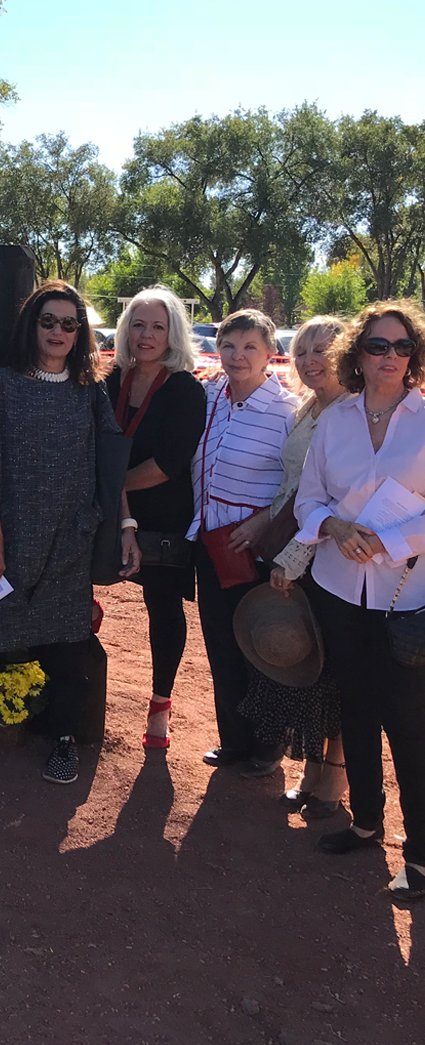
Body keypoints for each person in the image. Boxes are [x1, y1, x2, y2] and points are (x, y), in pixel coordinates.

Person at [0, 280, 141, 786]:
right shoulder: (1, 385)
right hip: (9, 539)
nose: (58, 331)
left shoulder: (91, 392)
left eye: (68, 323)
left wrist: (126, 524)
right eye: (48, 321)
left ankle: (63, 740)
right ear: (32, 326)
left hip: (70, 539)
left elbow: (109, 471)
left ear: (80, 332)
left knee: (68, 644)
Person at [294, 300, 425, 902]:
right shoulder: (337, 420)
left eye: (401, 347)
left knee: (409, 722)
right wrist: (334, 529)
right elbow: (309, 499)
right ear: (359, 353)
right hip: (338, 586)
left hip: (405, 594)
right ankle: (366, 823)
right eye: (378, 346)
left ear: (414, 356)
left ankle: (420, 857)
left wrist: (390, 542)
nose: (390, 357)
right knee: (355, 706)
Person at [239, 317, 349, 806]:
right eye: (302, 352)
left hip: (325, 561)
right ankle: (313, 772)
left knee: (331, 673)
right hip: (296, 551)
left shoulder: (349, 413)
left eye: (322, 350)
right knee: (312, 672)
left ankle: (335, 780)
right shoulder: (310, 408)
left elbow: (330, 499)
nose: (309, 361)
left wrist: (292, 560)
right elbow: (293, 491)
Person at [188, 309, 298, 769]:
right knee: (221, 642)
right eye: (229, 346)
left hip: (256, 548)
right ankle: (234, 739)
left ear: (269, 354)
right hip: (211, 543)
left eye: (249, 347)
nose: (237, 356)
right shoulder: (209, 395)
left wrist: (263, 521)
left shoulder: (287, 411)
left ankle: (269, 744)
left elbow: (300, 484)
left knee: (262, 645)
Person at [104, 287, 206, 750]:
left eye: (158, 326)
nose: (147, 335)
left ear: (173, 334)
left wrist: (111, 485)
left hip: (162, 516)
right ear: (126, 329)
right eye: (139, 325)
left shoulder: (186, 389)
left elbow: (169, 464)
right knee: (69, 588)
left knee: (163, 611)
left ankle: (160, 704)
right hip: (109, 511)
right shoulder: (109, 380)